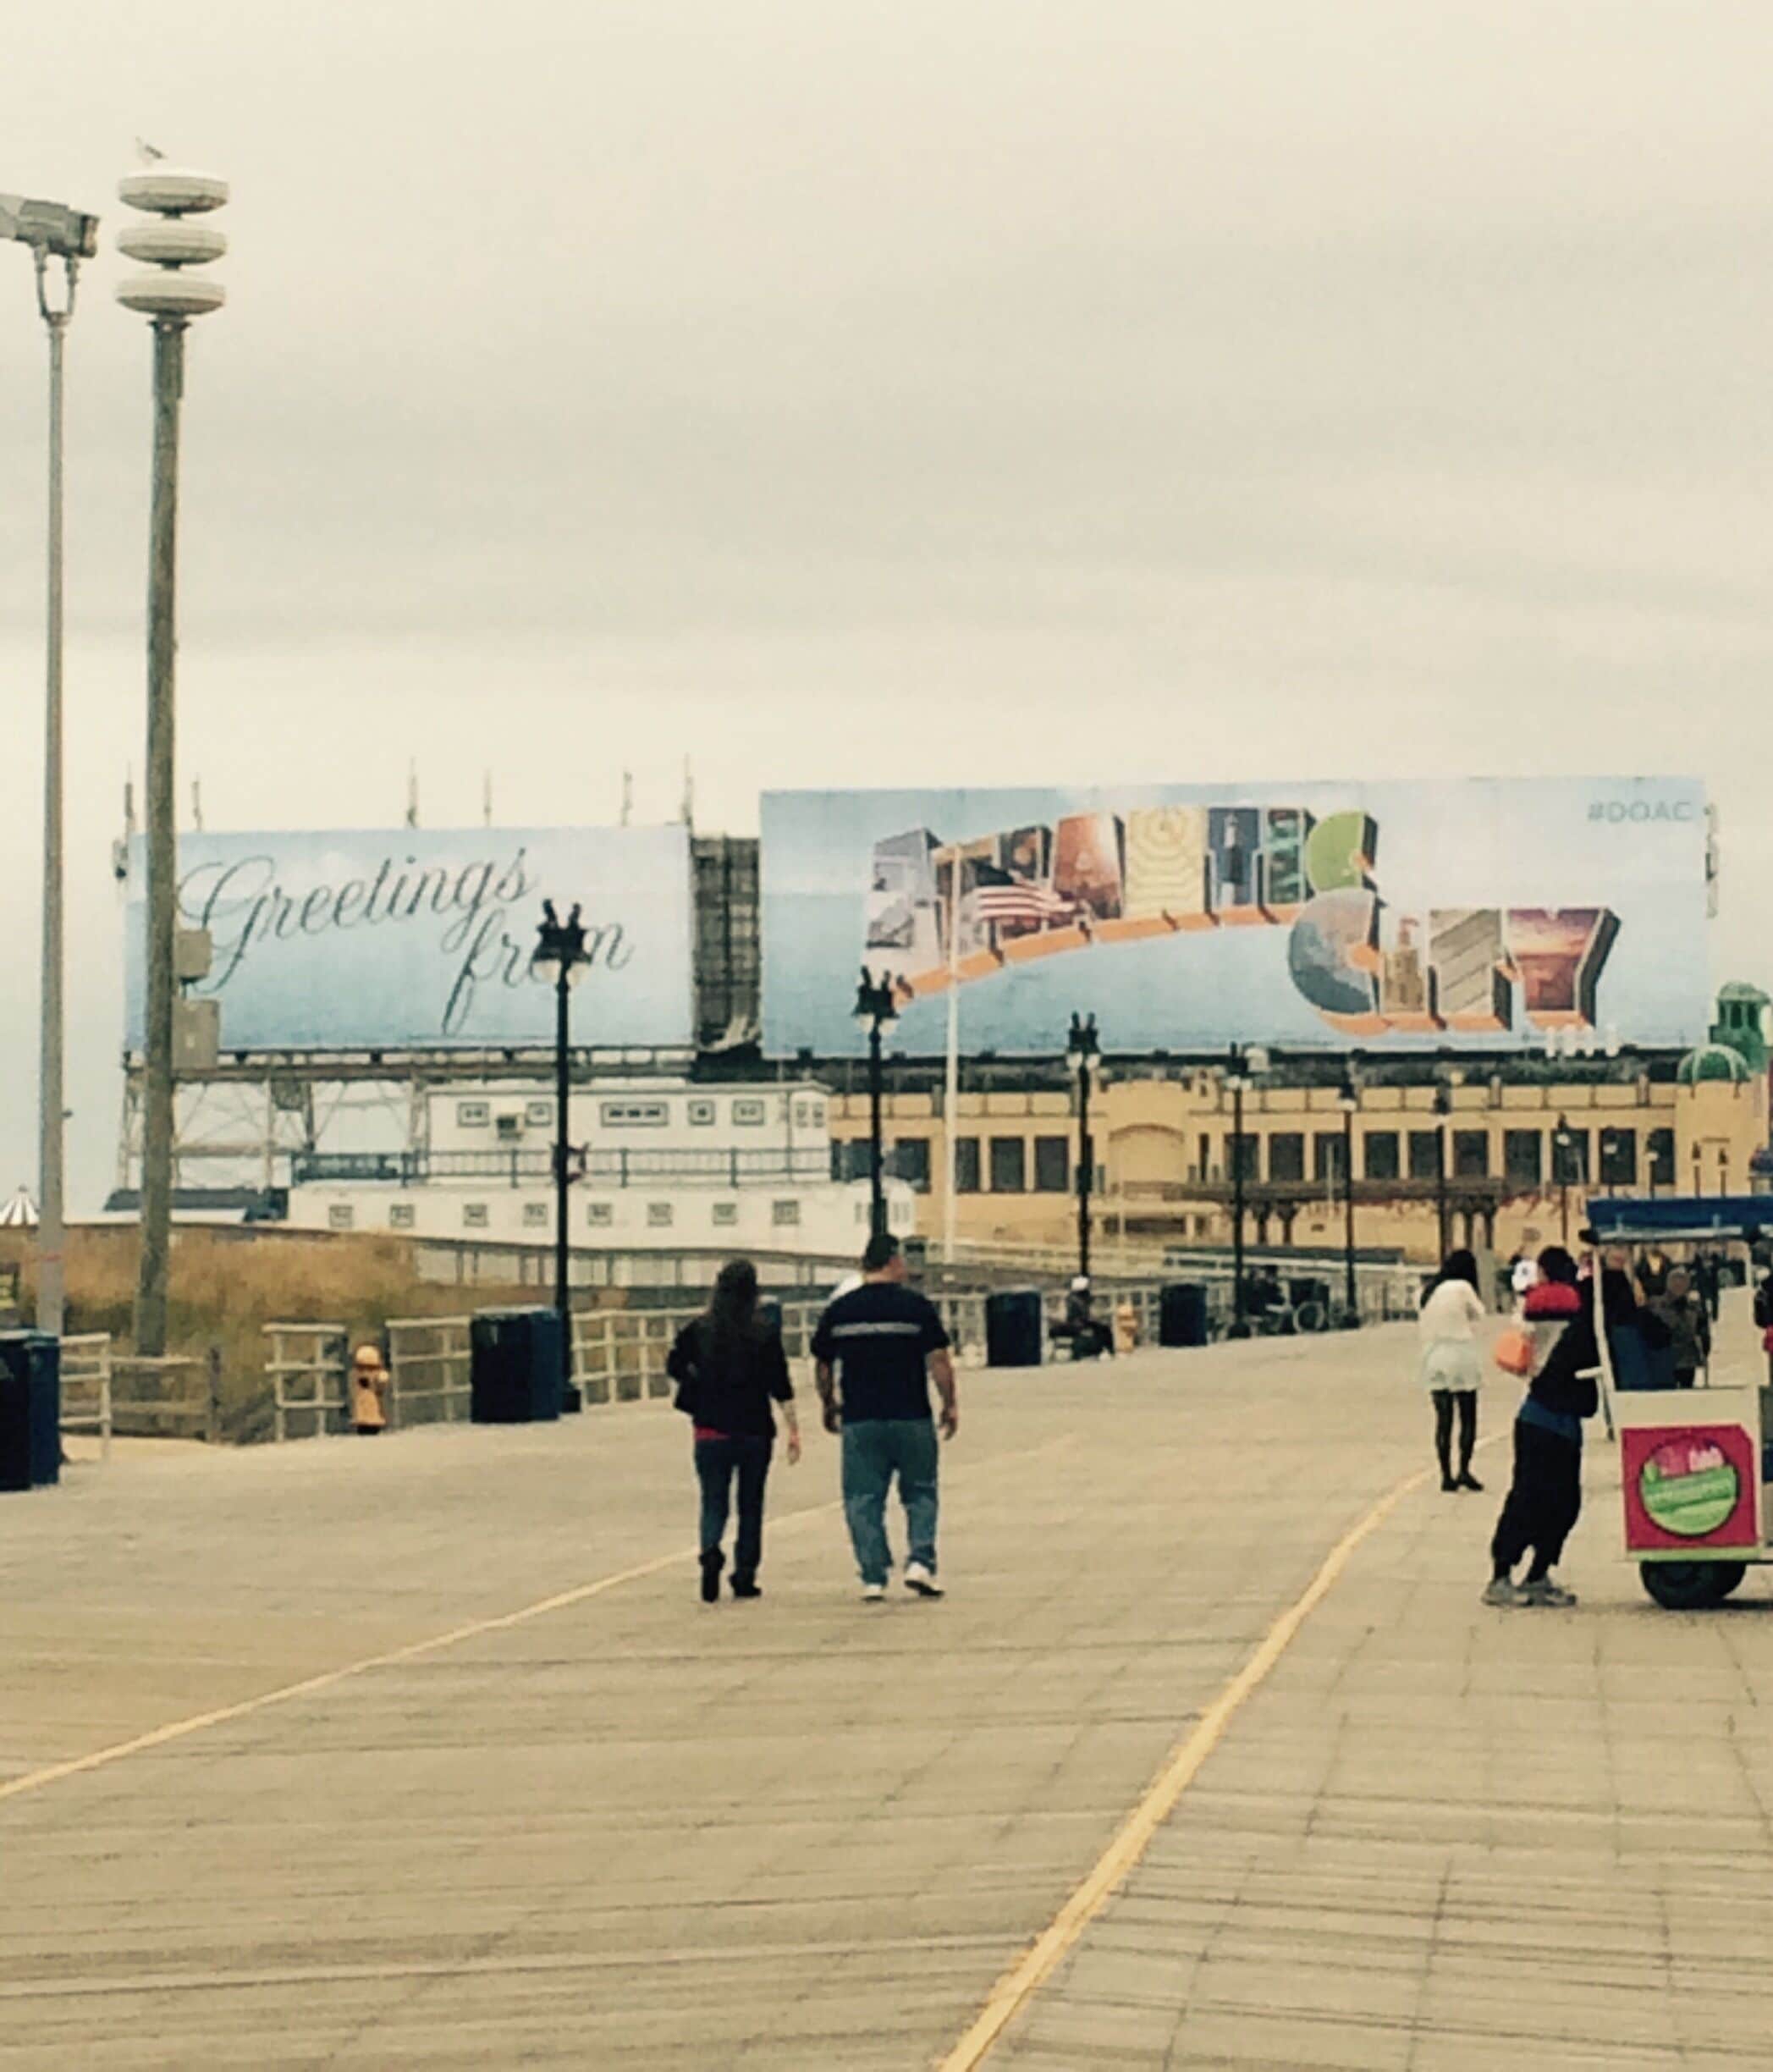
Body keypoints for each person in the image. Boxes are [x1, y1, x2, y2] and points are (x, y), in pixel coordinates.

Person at [812, 1232, 957, 1602]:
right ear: (892, 1261)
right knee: (921, 1491)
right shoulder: (916, 1307)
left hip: (861, 1418)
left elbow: (824, 1364)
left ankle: (873, 1576)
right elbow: (938, 1359)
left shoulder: (841, 1310)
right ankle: (921, 1561)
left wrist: (829, 1403)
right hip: (911, 1414)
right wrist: (950, 1402)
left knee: (862, 1497)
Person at [667, 1259, 801, 1603]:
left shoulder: (698, 1330)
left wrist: (695, 1383)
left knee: (713, 1501)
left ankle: (710, 1550)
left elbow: (674, 1364)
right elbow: (780, 1384)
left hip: (710, 1429)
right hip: (755, 1430)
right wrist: (793, 1428)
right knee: (750, 1505)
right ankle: (745, 1574)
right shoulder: (764, 1333)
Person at [1484, 1248, 1611, 1609]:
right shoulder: (1582, 1310)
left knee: (1526, 1496)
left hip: (1537, 1412)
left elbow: (1518, 1352)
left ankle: (1502, 1572)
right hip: (1566, 1419)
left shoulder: (1531, 1307)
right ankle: (1538, 1572)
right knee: (1564, 1501)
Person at [1418, 1248, 1487, 1493]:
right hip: (1461, 1353)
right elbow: (1480, 1314)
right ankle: (1464, 1470)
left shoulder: (1429, 1291)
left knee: (1443, 1420)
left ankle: (1445, 1475)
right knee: (1467, 1416)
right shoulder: (1463, 1288)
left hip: (1434, 1356)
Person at [1647, 1266, 1710, 1387]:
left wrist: (1705, 1349)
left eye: (1682, 1282)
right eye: (1675, 1282)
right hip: (1665, 1358)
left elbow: (1702, 1331)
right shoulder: (1657, 1305)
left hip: (1687, 1359)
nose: (1678, 1285)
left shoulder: (1694, 1307)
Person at [350, 1343, 389, 1436]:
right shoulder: (357, 1380)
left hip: (374, 1415)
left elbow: (380, 1388)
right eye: (362, 1368)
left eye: (371, 1369)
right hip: (362, 1415)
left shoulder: (376, 1379)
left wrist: (381, 1382)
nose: (365, 1373)